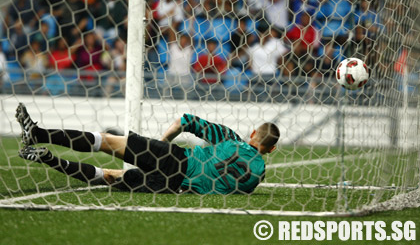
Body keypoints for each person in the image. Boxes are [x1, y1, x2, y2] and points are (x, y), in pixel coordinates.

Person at [16, 103, 280, 195]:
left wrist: (163, 142)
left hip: (173, 157)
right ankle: (49, 159)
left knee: (106, 141)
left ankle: (37, 133)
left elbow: (185, 121)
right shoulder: (258, 174)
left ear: (254, 133)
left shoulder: (229, 138)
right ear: (271, 148)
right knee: (107, 176)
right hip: (176, 186)